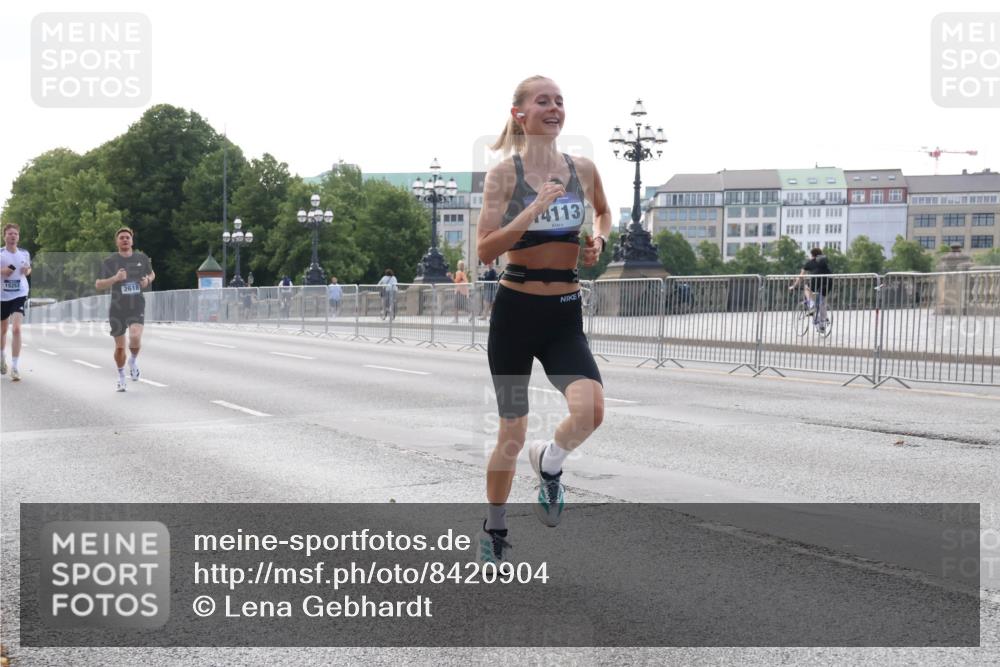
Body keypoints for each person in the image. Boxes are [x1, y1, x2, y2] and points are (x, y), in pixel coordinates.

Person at [476, 75, 612, 563]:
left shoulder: (583, 169)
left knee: (591, 410)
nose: (554, 108)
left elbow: (603, 213)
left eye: (559, 101)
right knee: (512, 434)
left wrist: (598, 241)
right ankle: (494, 528)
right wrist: (531, 210)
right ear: (520, 114)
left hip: (563, 316)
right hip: (515, 316)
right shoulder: (503, 176)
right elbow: (485, 249)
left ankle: (550, 463)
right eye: (543, 101)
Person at [94, 227, 155, 392]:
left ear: (132, 241)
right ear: (117, 242)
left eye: (128, 237)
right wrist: (115, 278)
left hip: (136, 305)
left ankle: (133, 360)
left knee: (135, 337)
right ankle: (121, 376)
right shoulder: (109, 261)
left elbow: (152, 274)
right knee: (120, 347)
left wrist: (147, 281)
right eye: (121, 237)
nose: (125, 239)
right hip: (117, 307)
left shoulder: (142, 258)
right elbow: (98, 284)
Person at [1, 223, 32, 382]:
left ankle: (15, 367)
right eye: (10, 234)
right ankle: (2, 357)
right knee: (3, 330)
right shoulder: (1, 254)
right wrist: (3, 271)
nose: (13, 236)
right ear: (4, 236)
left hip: (20, 293)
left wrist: (27, 271)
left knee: (17, 329)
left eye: (16, 234)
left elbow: (28, 269)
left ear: (18, 237)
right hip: (2, 296)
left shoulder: (24, 253)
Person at [790, 247, 832, 333]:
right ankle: (823, 322)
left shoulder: (809, 262)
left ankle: (811, 305)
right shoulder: (824, 262)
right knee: (822, 301)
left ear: (812, 255)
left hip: (816, 280)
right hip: (828, 281)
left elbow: (801, 276)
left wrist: (794, 286)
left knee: (806, 288)